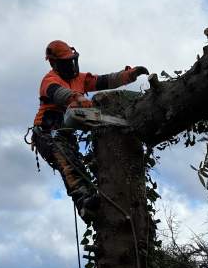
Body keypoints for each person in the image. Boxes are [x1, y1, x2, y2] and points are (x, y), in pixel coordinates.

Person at [32, 40, 149, 223]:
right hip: (48, 132)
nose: (70, 65)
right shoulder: (50, 81)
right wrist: (75, 97)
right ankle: (84, 205)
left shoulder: (80, 78)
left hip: (65, 133)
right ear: (54, 63)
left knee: (77, 164)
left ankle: (93, 204)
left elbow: (104, 80)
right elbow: (58, 93)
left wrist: (128, 75)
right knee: (68, 164)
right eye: (65, 62)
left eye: (71, 60)